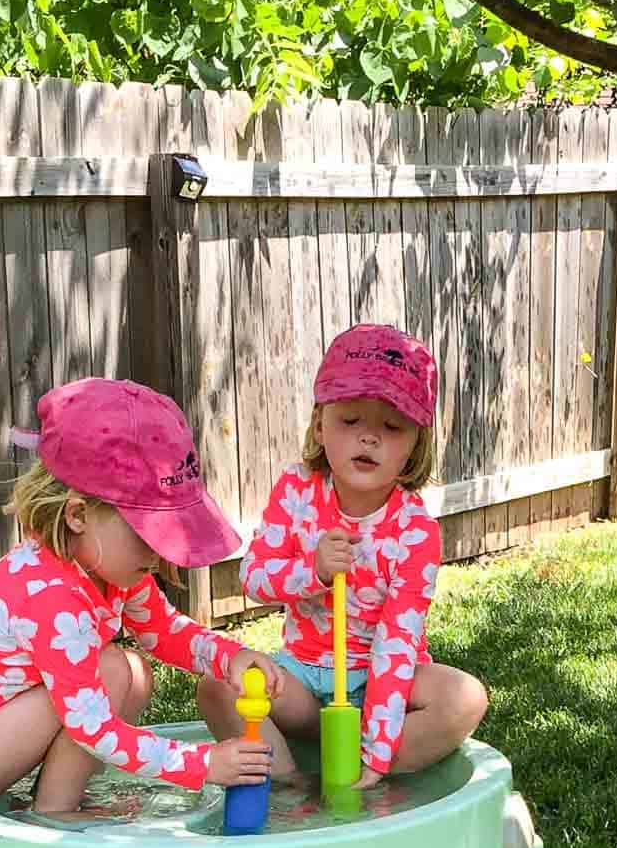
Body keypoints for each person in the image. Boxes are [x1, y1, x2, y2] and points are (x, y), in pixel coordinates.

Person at [0, 377, 283, 812]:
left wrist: (230, 657)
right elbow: (94, 727)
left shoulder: (112, 566)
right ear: (77, 515)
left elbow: (163, 632)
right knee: (111, 669)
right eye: (148, 534)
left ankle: (61, 797)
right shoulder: (51, 595)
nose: (159, 551)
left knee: (133, 670)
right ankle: (57, 814)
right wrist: (202, 763)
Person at [199, 324, 487, 786]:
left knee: (464, 698)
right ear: (320, 425)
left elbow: (396, 642)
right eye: (350, 420)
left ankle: (359, 770)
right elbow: (253, 577)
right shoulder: (297, 490)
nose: (368, 438)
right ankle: (292, 783)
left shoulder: (415, 531)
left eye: (391, 427)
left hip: (382, 678)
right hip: (304, 680)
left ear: (416, 444)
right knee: (219, 684)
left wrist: (377, 747)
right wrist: (312, 570)